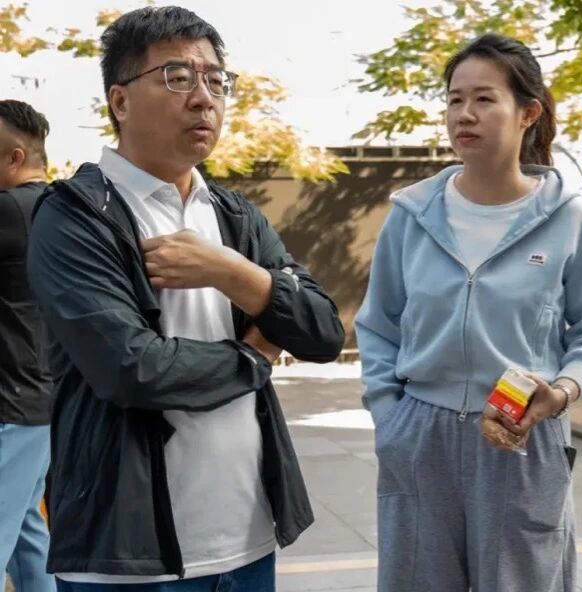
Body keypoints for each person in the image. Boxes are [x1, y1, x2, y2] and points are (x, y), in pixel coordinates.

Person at [26, 6, 344, 590]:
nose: (204, 98)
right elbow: (132, 368)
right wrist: (255, 355)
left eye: (216, 80)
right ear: (120, 101)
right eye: (177, 77)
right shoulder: (75, 216)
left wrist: (235, 273)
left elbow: (323, 332)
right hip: (125, 557)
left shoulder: (233, 215)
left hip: (248, 538)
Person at [356, 33, 582, 592]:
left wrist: (563, 391)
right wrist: (391, 419)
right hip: (421, 436)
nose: (465, 114)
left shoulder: (572, 220)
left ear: (528, 112)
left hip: (522, 433)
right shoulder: (412, 216)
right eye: (455, 100)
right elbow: (379, 326)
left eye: (484, 99)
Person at [0, 99, 56, 592]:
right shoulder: (59, 211)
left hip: (11, 404)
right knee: (26, 535)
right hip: (39, 400)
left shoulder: (10, 210)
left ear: (15, 158)